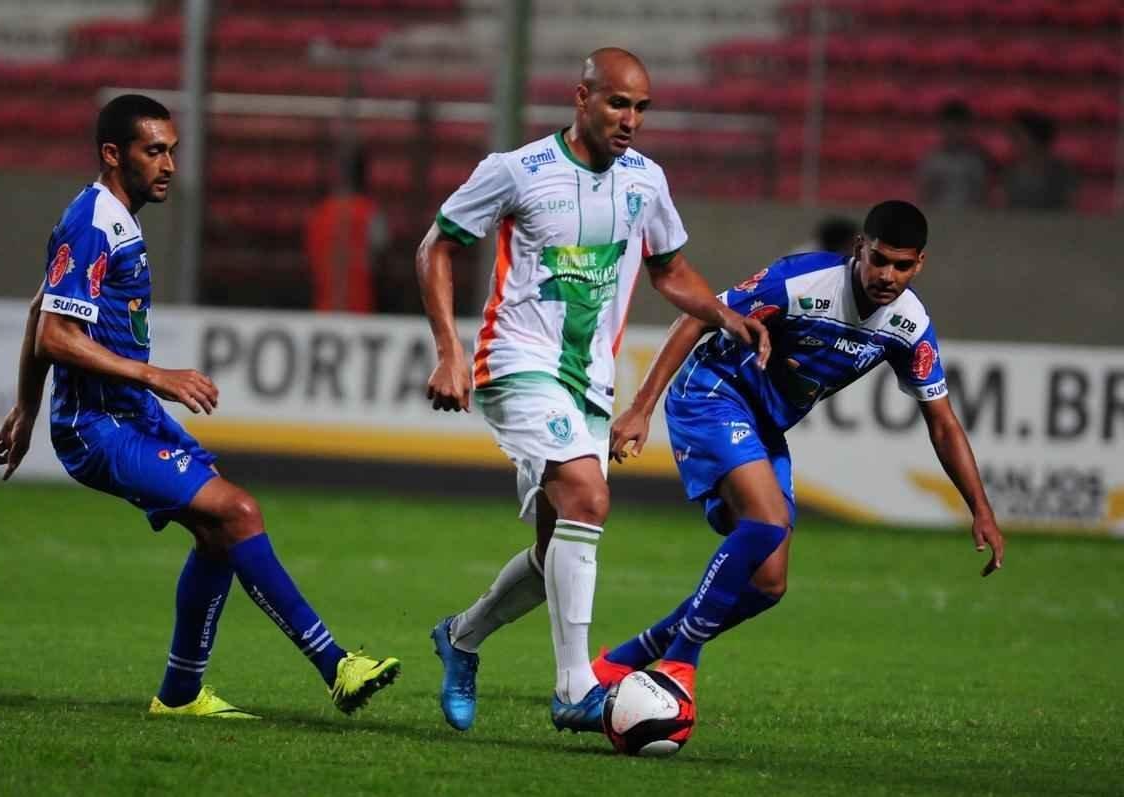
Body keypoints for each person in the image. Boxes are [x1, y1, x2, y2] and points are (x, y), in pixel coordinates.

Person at [0, 94, 400, 720]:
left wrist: (24, 408)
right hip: (98, 427)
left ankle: (180, 694)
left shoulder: (111, 216)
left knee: (218, 534)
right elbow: (54, 334)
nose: (169, 164)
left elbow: (39, 308)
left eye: (172, 151)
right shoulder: (92, 219)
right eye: (154, 151)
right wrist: (154, 375)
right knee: (238, 511)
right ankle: (335, 665)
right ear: (112, 154)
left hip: (126, 415)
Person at [415, 48, 771, 733]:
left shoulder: (646, 181)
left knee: (557, 546)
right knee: (587, 493)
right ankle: (576, 687)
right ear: (581, 99)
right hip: (518, 362)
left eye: (640, 108)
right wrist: (449, 352)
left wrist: (723, 314)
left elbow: (669, 269)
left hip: (591, 382)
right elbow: (436, 245)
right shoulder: (517, 171)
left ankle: (459, 637)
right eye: (617, 103)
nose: (630, 119)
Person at [590, 200, 1006, 741]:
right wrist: (642, 406)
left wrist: (981, 509)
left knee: (768, 583)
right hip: (712, 393)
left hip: (764, 424)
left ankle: (621, 661)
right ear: (859, 247)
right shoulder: (801, 282)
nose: (887, 276)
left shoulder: (910, 327)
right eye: (879, 259)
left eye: (902, 266)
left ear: (919, 264)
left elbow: (943, 423)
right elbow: (698, 315)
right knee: (764, 522)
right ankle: (679, 664)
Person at [303, 146, 389, 313]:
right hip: (361, 311)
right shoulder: (370, 214)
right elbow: (382, 261)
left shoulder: (319, 214)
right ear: (364, 175)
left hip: (323, 310)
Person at [916, 99, 992, 210]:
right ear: (942, 128)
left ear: (966, 129)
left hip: (970, 218)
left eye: (958, 129)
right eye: (949, 128)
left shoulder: (976, 161)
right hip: (940, 216)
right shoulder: (932, 161)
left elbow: (983, 195)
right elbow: (924, 195)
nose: (954, 133)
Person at [1002, 110, 1077, 211]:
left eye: (1018, 137)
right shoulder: (1010, 172)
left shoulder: (1062, 172)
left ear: (1036, 140)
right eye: (1013, 137)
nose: (1013, 143)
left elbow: (1070, 207)